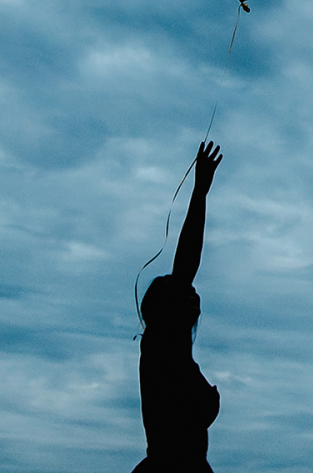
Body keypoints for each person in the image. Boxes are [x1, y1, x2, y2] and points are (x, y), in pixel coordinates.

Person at [136, 140, 223, 473]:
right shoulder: (161, 345)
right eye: (180, 293)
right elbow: (187, 261)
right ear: (162, 309)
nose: (192, 295)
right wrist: (200, 191)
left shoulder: (170, 353)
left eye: (191, 292)